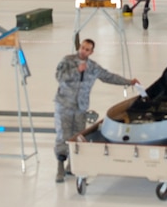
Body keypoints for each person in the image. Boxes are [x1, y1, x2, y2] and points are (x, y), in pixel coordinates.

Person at [53, 38, 138, 183]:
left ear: (91, 52)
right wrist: (76, 70)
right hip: (64, 105)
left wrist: (129, 82)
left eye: (87, 49)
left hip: (80, 107)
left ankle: (71, 165)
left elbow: (108, 77)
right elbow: (59, 77)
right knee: (63, 135)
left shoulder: (93, 67)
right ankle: (60, 166)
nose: (84, 51)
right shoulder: (67, 61)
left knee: (77, 135)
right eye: (82, 48)